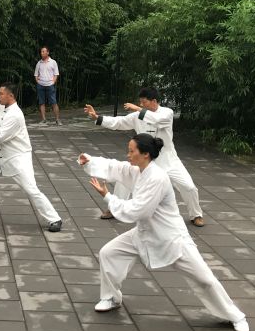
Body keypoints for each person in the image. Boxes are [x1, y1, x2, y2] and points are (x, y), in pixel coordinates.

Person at [79, 133, 249, 331]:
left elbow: (138, 211)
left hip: (171, 238)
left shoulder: (157, 178)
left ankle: (236, 316)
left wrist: (108, 196)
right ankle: (111, 298)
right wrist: (90, 161)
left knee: (205, 279)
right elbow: (115, 167)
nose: (128, 154)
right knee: (109, 253)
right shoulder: (137, 170)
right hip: (144, 233)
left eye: (132, 151)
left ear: (145, 154)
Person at [84, 87, 205, 227]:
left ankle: (196, 214)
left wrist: (137, 109)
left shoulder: (167, 113)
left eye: (144, 102)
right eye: (140, 102)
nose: (141, 105)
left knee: (189, 186)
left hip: (168, 159)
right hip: (144, 159)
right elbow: (119, 122)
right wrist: (97, 117)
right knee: (124, 178)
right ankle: (114, 209)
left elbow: (157, 120)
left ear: (154, 101)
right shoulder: (138, 115)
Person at [0, 83, 64, 232]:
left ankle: (55, 219)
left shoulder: (15, 115)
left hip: (17, 158)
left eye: (1, 94)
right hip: (0, 156)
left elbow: (0, 136)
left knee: (31, 189)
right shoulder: (3, 108)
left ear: (11, 96)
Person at [34, 46, 61, 125]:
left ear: (48, 52)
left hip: (50, 85)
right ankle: (43, 119)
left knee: (54, 102)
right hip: (41, 85)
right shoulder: (39, 63)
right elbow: (36, 74)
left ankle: (57, 120)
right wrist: (38, 82)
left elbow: (56, 74)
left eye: (43, 51)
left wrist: (53, 82)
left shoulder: (53, 62)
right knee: (41, 102)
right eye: (41, 52)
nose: (42, 53)